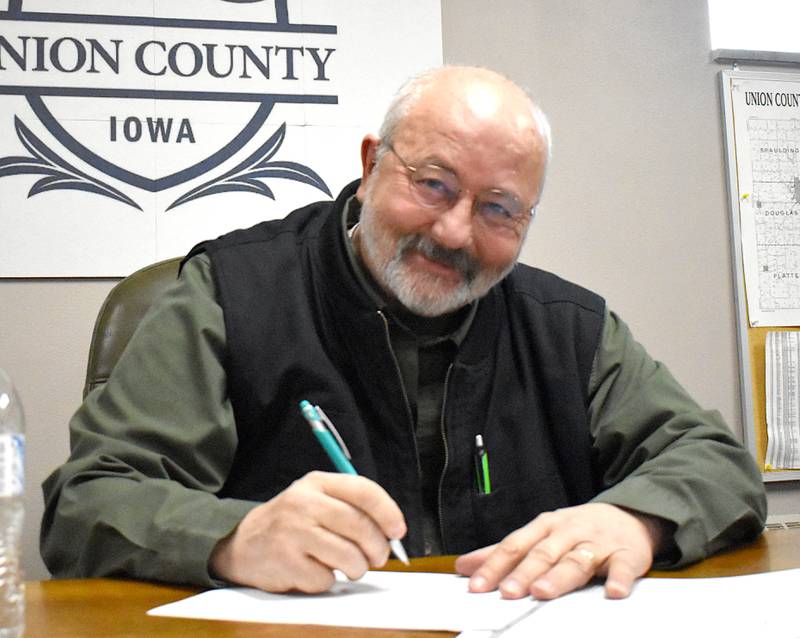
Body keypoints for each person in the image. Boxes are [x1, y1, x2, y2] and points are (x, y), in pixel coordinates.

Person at [41, 66, 766, 602]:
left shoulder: (568, 330)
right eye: (434, 184)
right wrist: (232, 538)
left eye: (499, 208)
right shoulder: (231, 295)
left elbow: (715, 462)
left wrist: (636, 521)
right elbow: (88, 502)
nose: (454, 232)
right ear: (369, 166)